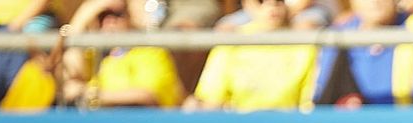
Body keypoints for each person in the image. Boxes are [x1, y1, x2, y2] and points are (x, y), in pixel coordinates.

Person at [185, 0, 319, 111]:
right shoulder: (230, 43)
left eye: (280, 0)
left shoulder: (305, 46)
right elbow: (212, 100)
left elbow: (308, 105)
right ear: (247, 3)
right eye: (261, 0)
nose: (271, 5)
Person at [60, 0, 184, 108]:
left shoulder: (150, 52)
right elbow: (71, 77)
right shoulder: (92, 55)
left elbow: (147, 96)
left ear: (130, 17)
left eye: (117, 15)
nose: (109, 21)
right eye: (102, 16)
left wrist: (89, 94)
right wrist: (87, 10)